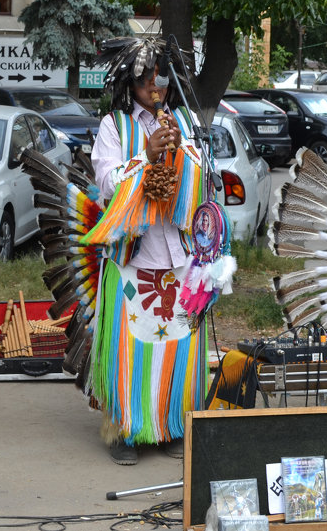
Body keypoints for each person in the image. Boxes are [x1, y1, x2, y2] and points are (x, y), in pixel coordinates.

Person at [86, 37, 209, 465]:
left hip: (180, 256)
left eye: (162, 75)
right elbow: (106, 181)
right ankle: (124, 430)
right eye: (147, 77)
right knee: (133, 347)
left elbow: (204, 178)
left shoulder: (186, 120)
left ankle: (170, 424)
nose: (156, 85)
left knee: (175, 346)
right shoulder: (113, 126)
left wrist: (181, 154)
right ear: (132, 82)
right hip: (134, 259)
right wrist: (146, 155)